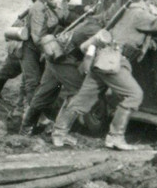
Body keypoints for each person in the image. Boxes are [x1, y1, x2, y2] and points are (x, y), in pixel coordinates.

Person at [51, 0, 157, 150]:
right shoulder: (140, 14)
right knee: (134, 95)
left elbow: (131, 33)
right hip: (112, 61)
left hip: (103, 59)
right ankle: (115, 137)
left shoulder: (135, 11)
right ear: (152, 4)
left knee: (83, 99)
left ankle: (58, 134)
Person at [18, 11, 103, 139]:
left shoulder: (89, 22)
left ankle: (25, 128)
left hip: (54, 56)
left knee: (44, 94)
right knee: (78, 92)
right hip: (62, 60)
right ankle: (60, 132)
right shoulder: (95, 29)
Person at [20, 0, 69, 105]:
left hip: (46, 47)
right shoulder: (38, 9)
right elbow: (37, 37)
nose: (60, 0)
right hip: (31, 48)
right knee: (32, 81)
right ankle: (27, 110)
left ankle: (34, 107)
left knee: (42, 81)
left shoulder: (57, 6)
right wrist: (52, 46)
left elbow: (65, 18)